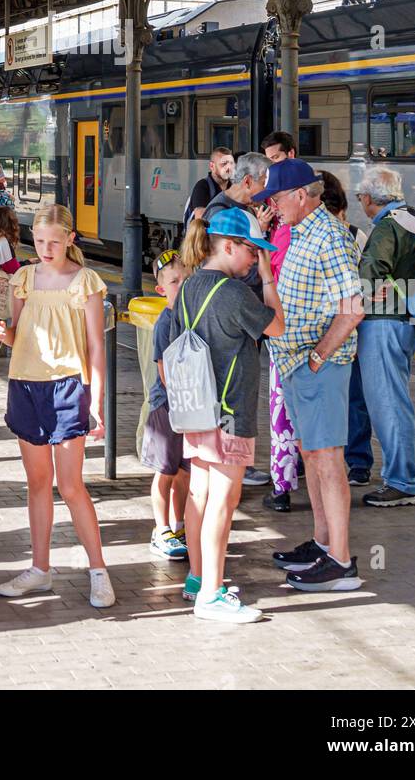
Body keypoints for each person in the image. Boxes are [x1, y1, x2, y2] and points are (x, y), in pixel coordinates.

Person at [0, 204, 115, 609]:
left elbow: (96, 345)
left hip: (67, 387)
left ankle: (99, 571)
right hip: (25, 384)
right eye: (40, 241)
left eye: (54, 242)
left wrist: (96, 400)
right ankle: (40, 568)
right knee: (38, 483)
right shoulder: (23, 278)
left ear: (70, 241)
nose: (45, 248)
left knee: (72, 485)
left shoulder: (86, 282)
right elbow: (16, 334)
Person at [252, 159, 365, 591]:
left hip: (317, 367)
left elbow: (352, 309)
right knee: (314, 457)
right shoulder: (301, 231)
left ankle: (340, 560)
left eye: (277, 198)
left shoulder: (330, 237)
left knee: (327, 459)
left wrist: (317, 357)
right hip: (295, 364)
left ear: (301, 195)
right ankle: (322, 543)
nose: (274, 207)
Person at [167, 208, 284, 623]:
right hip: (229, 411)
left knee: (199, 495)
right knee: (223, 499)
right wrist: (269, 279)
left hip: (195, 408)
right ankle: (213, 596)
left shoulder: (189, 286)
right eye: (252, 250)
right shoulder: (236, 294)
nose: (255, 259)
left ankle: (199, 579)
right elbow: (278, 326)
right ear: (229, 246)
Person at [349, 166, 415, 509]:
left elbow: (370, 274)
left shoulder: (387, 227)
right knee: (393, 401)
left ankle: (401, 482)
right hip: (408, 320)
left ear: (368, 198)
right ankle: (401, 478)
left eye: (360, 197)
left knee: (388, 404)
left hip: (385, 323)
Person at [203, 151, 274, 489]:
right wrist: (264, 278)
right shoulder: (222, 213)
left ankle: (230, 466)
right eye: (263, 184)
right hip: (235, 324)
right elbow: (276, 324)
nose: (266, 192)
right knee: (229, 391)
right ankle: (233, 469)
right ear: (248, 181)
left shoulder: (236, 211)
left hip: (237, 321)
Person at [140, 250, 189, 561]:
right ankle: (161, 529)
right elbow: (163, 369)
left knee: (184, 471)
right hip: (168, 405)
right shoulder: (165, 322)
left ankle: (180, 524)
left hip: (188, 406)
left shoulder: (189, 315)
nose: (181, 284)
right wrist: (183, 397)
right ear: (161, 289)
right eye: (174, 281)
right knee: (166, 470)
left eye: (185, 278)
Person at [262, 133, 298, 513]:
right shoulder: (319, 229)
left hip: (285, 330)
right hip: (305, 336)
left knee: (282, 411)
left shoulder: (287, 230)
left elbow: (274, 273)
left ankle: (282, 485)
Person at [183, 147, 233, 227]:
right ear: (212, 166)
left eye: (231, 163)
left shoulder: (233, 187)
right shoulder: (202, 186)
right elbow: (200, 216)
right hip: (204, 237)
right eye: (223, 164)